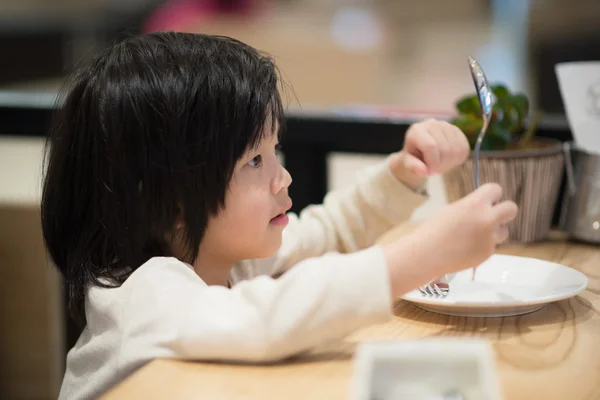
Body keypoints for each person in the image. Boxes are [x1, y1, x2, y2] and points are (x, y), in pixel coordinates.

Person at [41, 31, 518, 399]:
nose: (283, 178)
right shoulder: (140, 298)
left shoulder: (228, 258)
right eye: (254, 160)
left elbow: (328, 232)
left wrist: (401, 174)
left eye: (276, 151)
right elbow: (264, 319)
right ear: (172, 202)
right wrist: (421, 256)